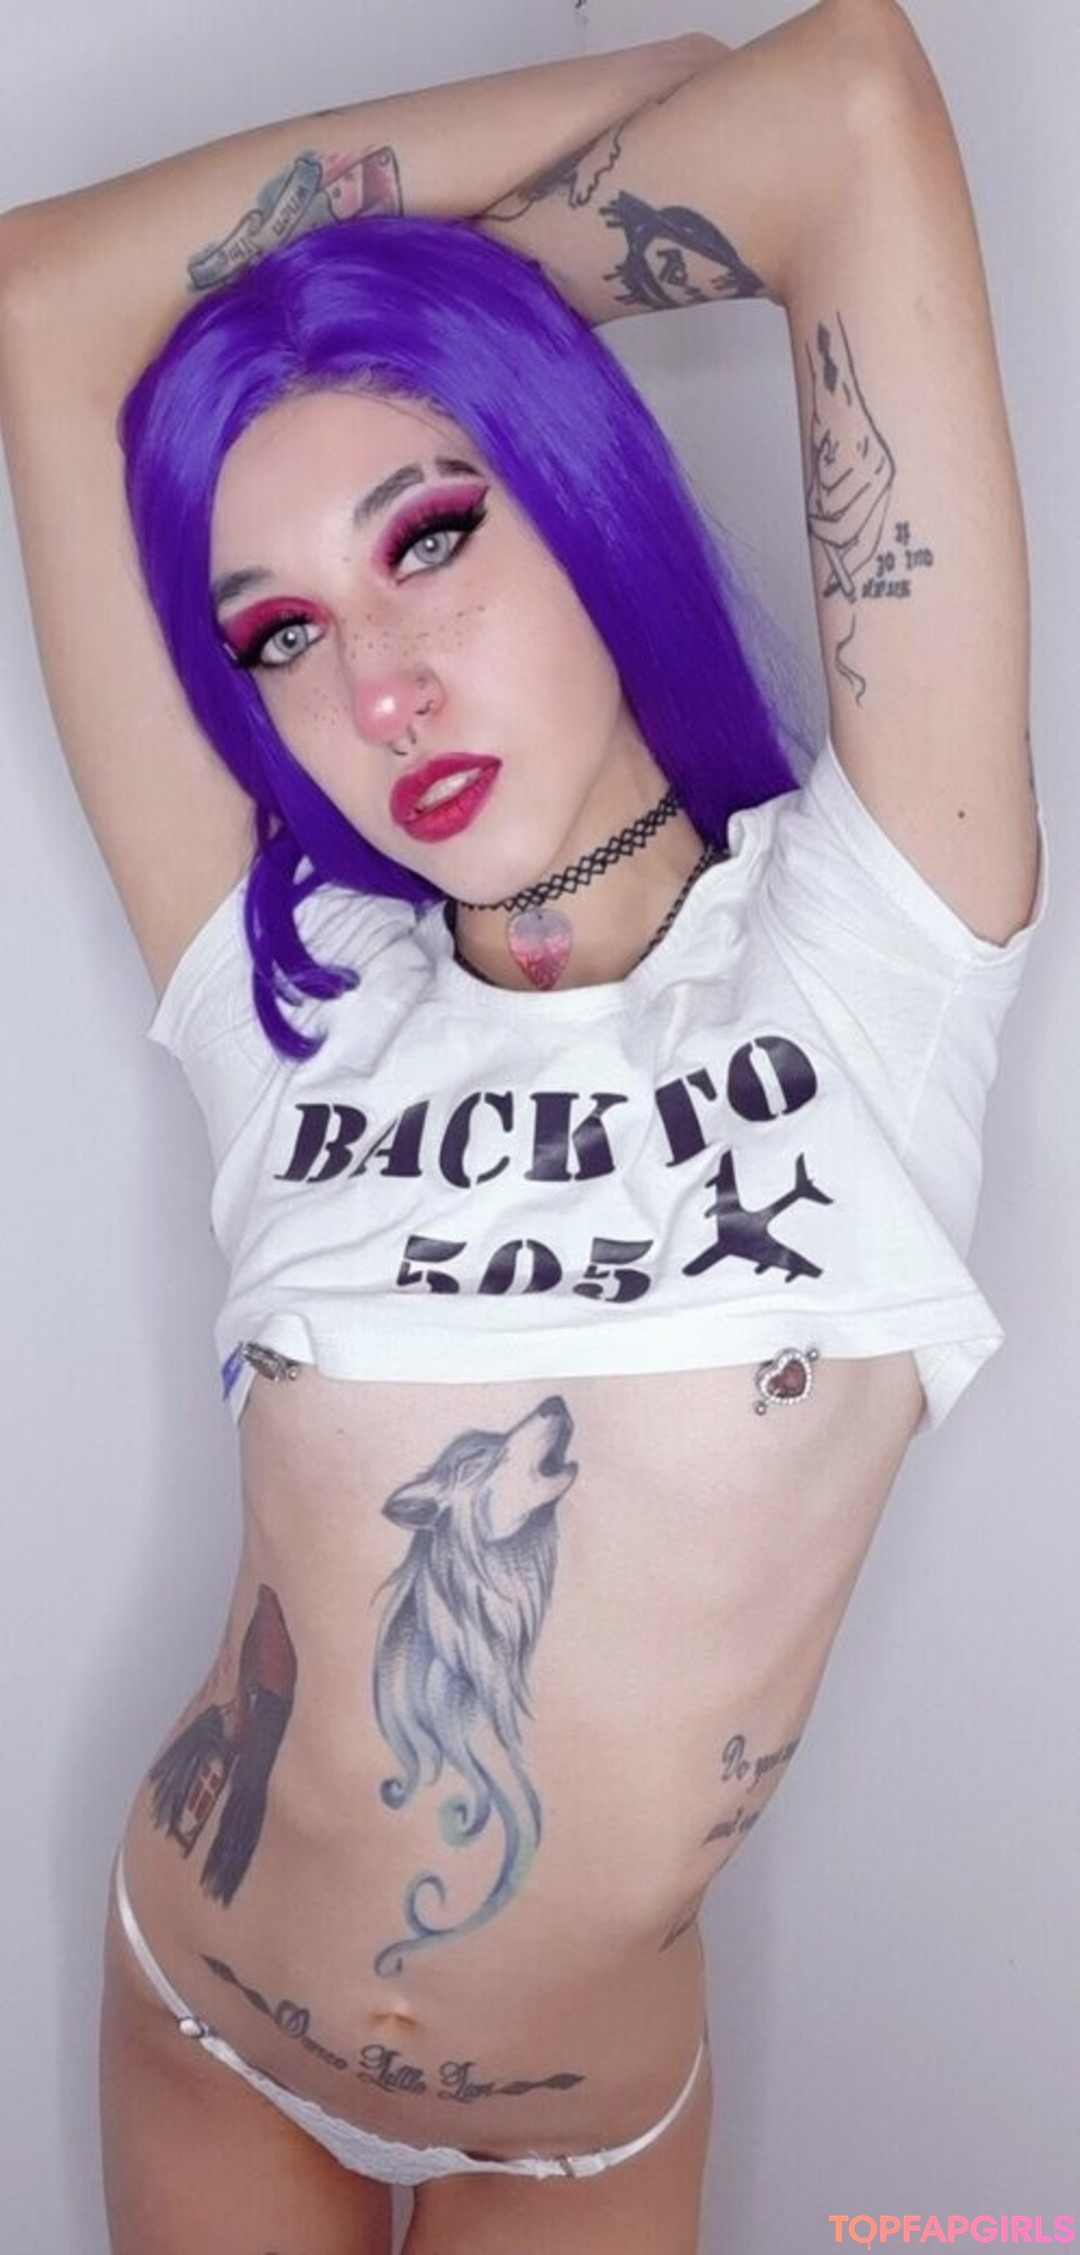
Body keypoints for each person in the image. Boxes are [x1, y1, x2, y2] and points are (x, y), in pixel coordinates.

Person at [0, 4, 1041, 2250]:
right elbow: (39, 299)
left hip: (578, 2125)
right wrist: (420, 322)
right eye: (278, 635)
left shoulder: (874, 958)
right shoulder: (289, 1009)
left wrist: (441, 321)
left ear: (573, 483)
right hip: (201, 2015)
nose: (376, 689)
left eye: (435, 529)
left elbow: (844, 101)